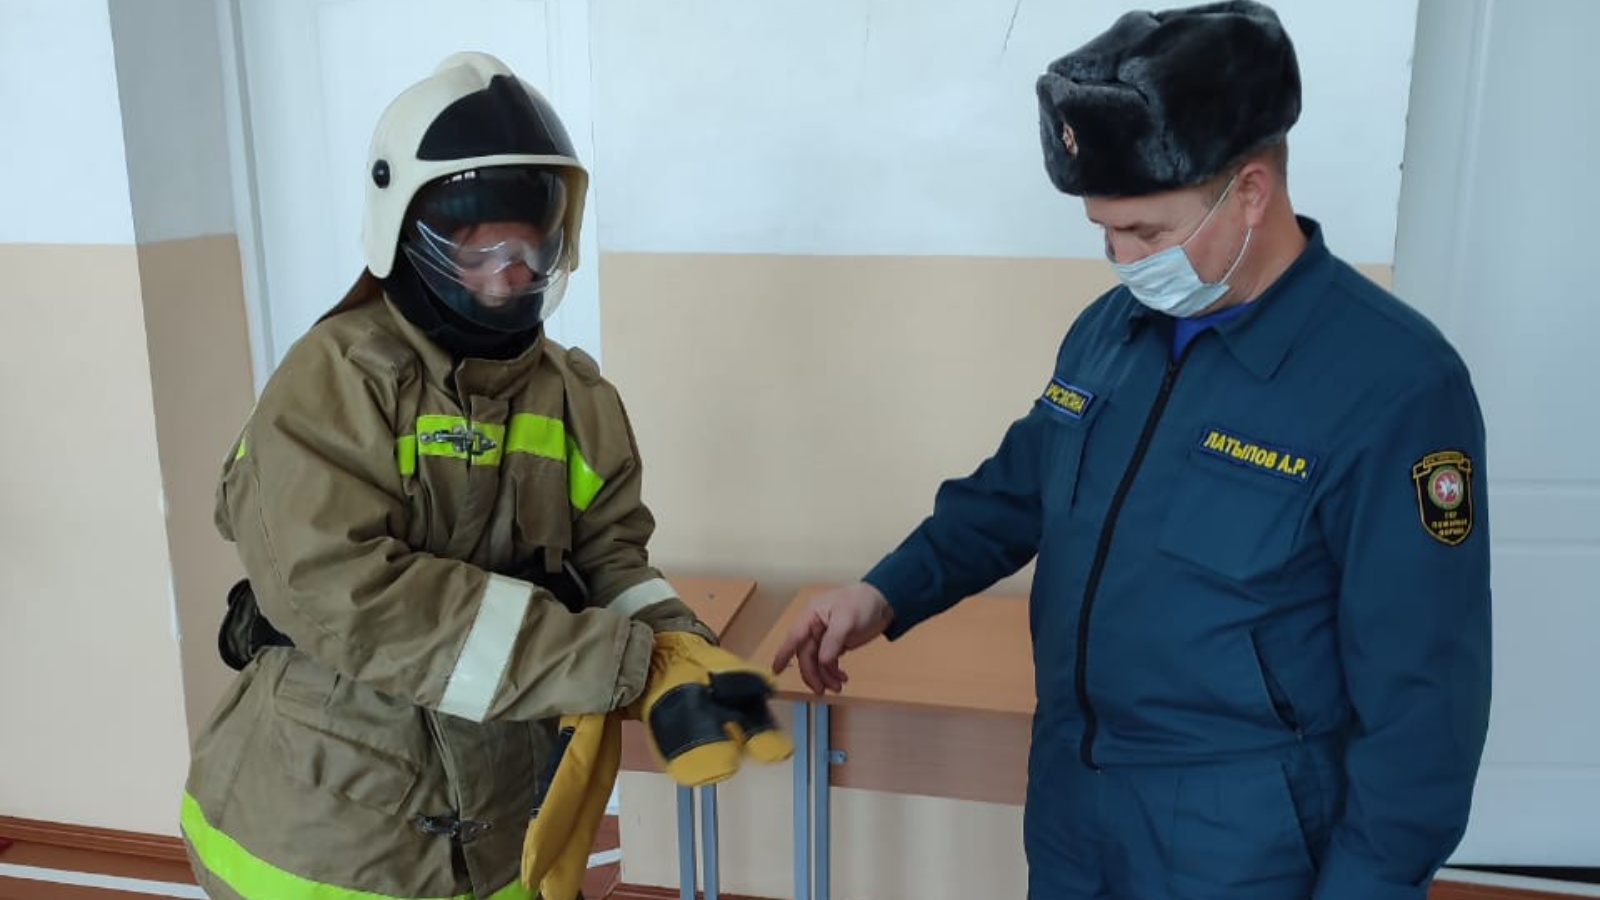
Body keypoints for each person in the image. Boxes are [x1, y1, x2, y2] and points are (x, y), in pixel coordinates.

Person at [773, 3, 1492, 899]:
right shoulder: (1112, 333)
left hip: (1246, 838)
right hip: (1074, 803)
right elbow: (1016, 491)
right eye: (1104, 231)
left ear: (1251, 193)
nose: (1121, 259)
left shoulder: (1393, 385)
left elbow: (1425, 704)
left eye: (1147, 234)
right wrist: (884, 592)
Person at [182, 51, 786, 900]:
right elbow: (349, 593)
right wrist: (619, 662)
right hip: (323, 842)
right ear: (404, 232)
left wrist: (680, 647)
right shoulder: (332, 384)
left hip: (503, 824)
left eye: (535, 242)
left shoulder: (576, 399)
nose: (515, 271)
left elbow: (610, 560)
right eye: (482, 245)